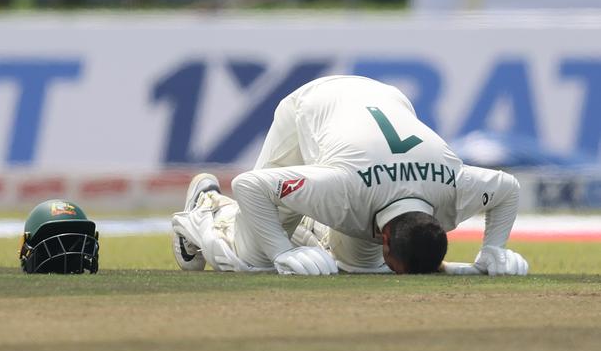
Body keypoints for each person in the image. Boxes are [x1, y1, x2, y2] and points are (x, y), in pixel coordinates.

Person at [171, 75, 529, 276]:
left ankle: (312, 228)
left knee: (361, 265)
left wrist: (493, 251)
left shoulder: (454, 188)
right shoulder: (345, 188)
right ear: (386, 238)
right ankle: (206, 208)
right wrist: (281, 251)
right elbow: (250, 186)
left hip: (387, 98)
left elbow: (508, 189)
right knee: (255, 257)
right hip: (311, 105)